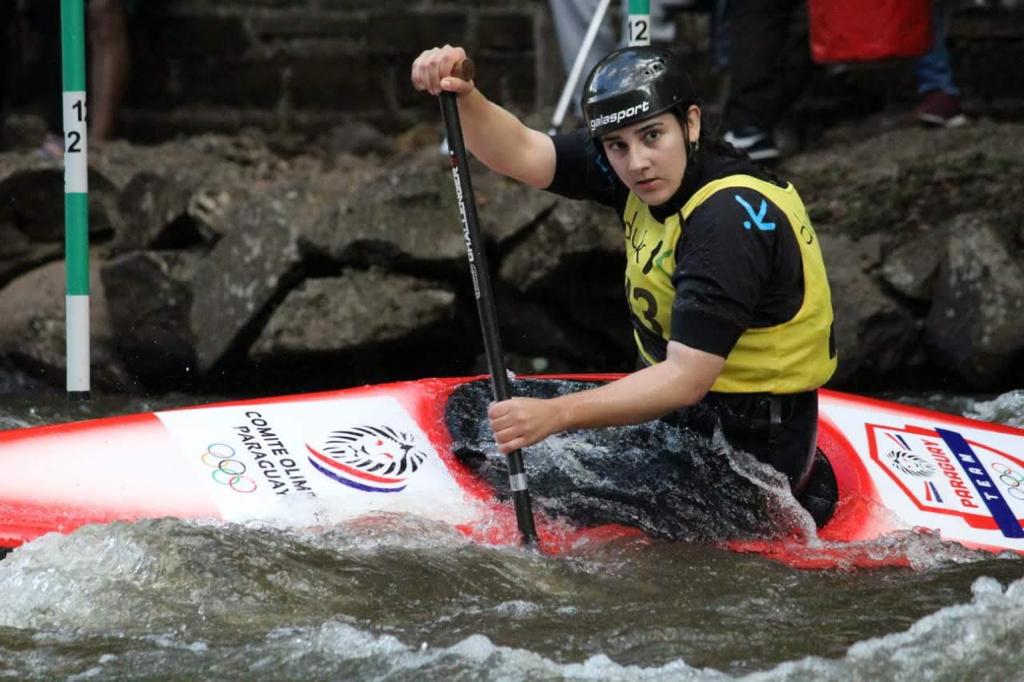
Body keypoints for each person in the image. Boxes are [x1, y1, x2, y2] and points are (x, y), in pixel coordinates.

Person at [410, 45, 837, 502]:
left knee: (530, 488)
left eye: (652, 136)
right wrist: (465, 93)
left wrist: (555, 416)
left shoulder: (726, 221)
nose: (637, 162)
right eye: (619, 145)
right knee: (476, 411)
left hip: (752, 455)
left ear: (690, 123)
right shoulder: (636, 168)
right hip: (679, 422)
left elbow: (684, 379)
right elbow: (521, 150)